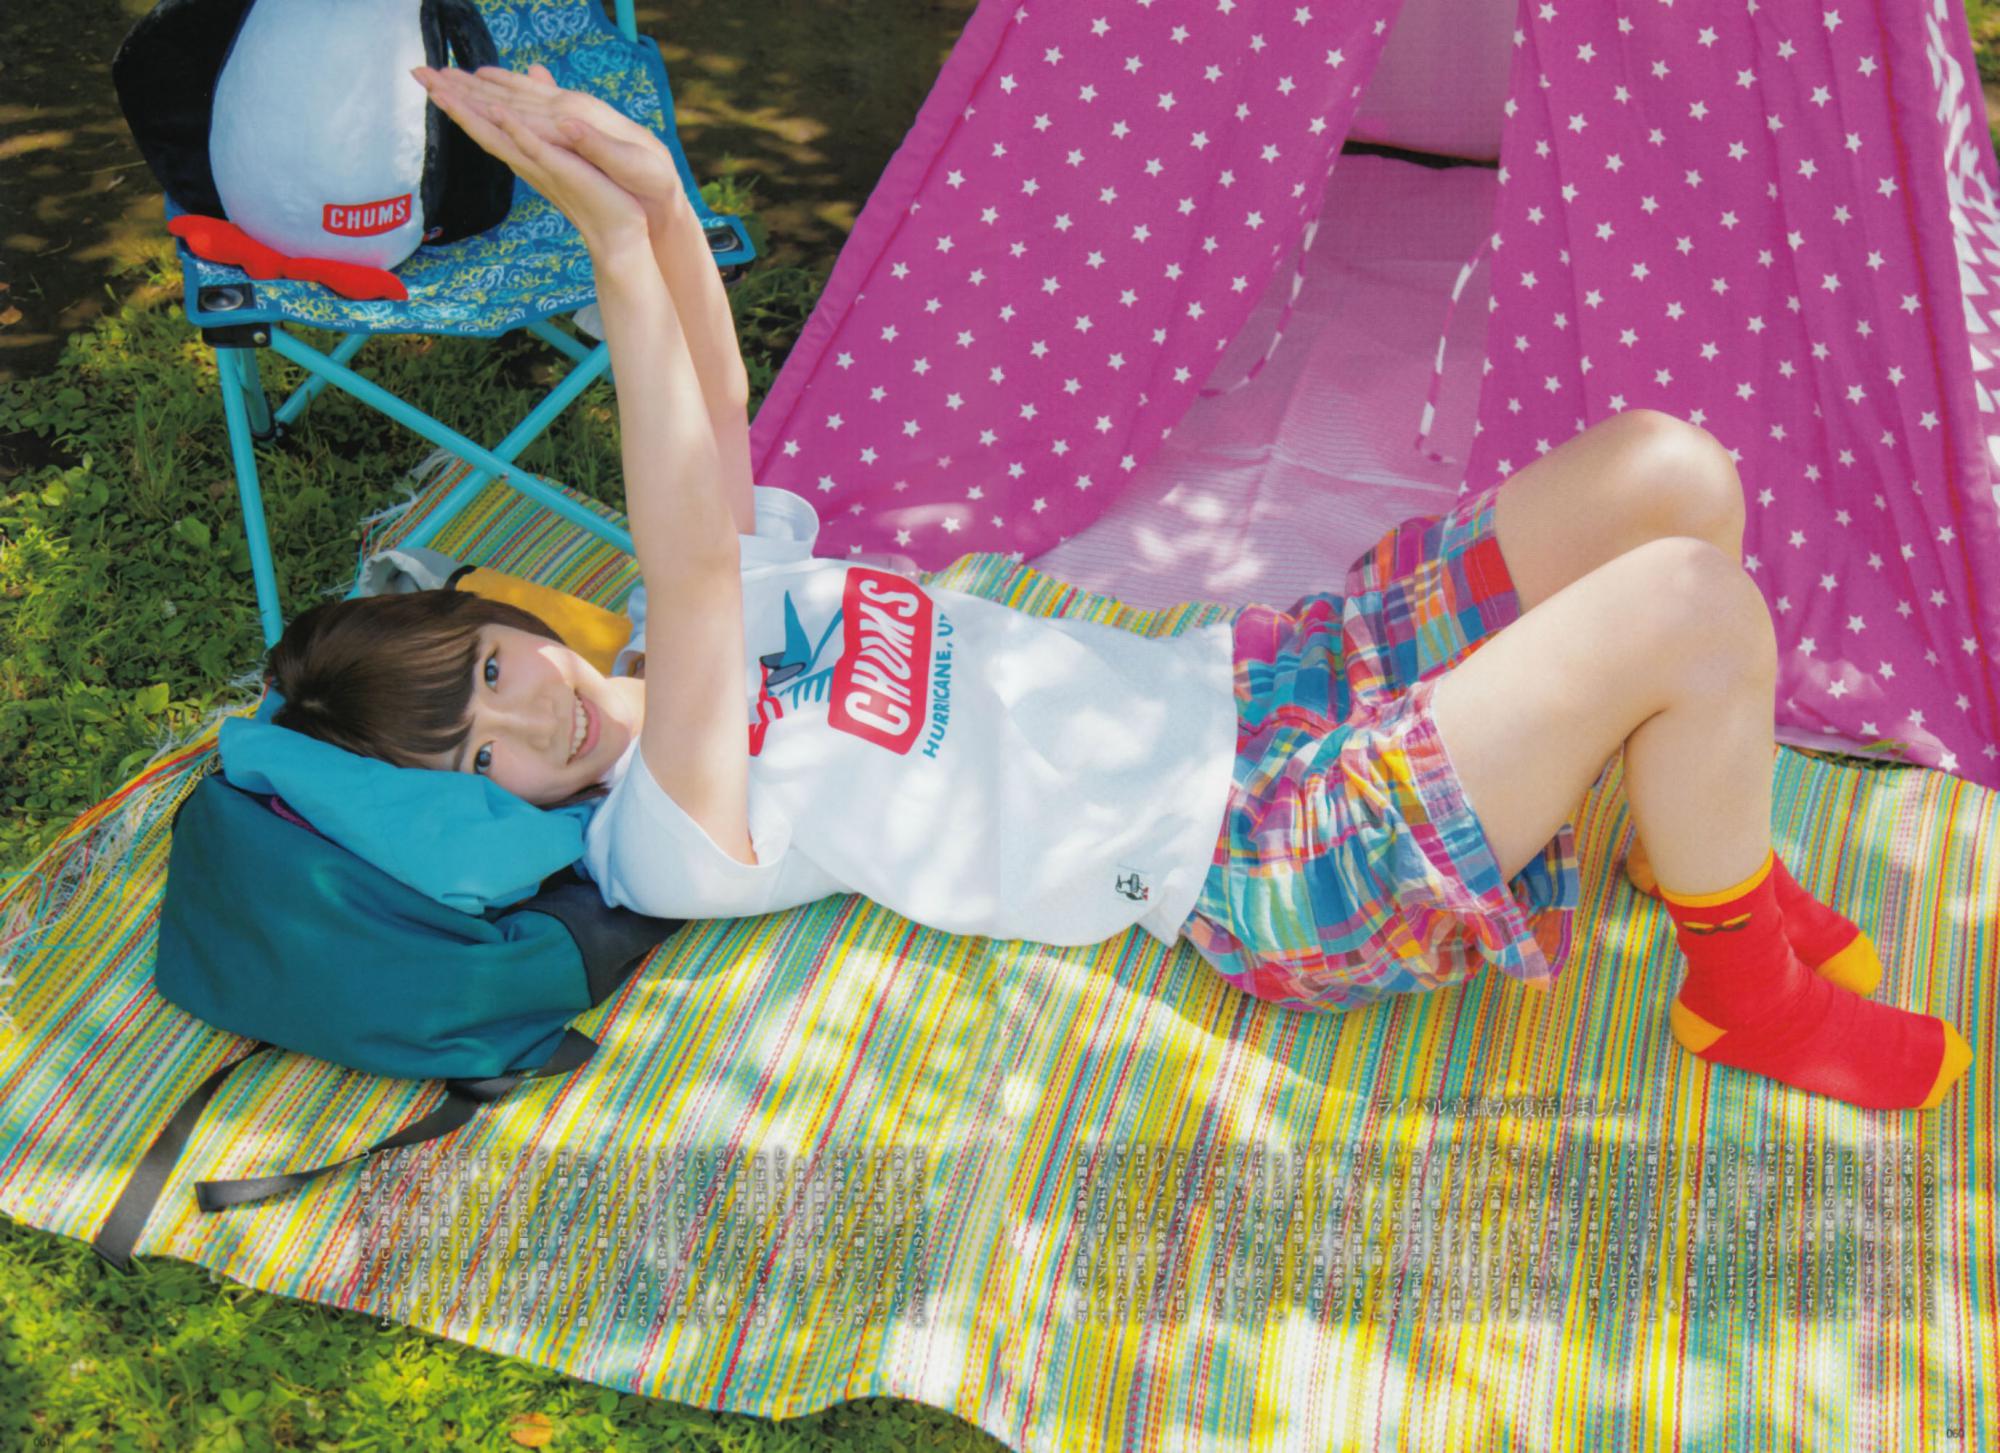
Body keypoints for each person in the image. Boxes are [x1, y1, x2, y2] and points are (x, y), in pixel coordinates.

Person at [264, 65, 1970, 1115]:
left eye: (487, 678)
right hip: (1275, 850)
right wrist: (610, 252)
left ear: (507, 628)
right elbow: (689, 554)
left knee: (1672, 471)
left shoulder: (690, 623)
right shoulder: (659, 832)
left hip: (1278, 678)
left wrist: (647, 188)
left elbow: (716, 420)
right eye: (476, 761)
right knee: (1689, 605)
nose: (526, 726)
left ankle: (1691, 848)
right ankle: (1743, 985)